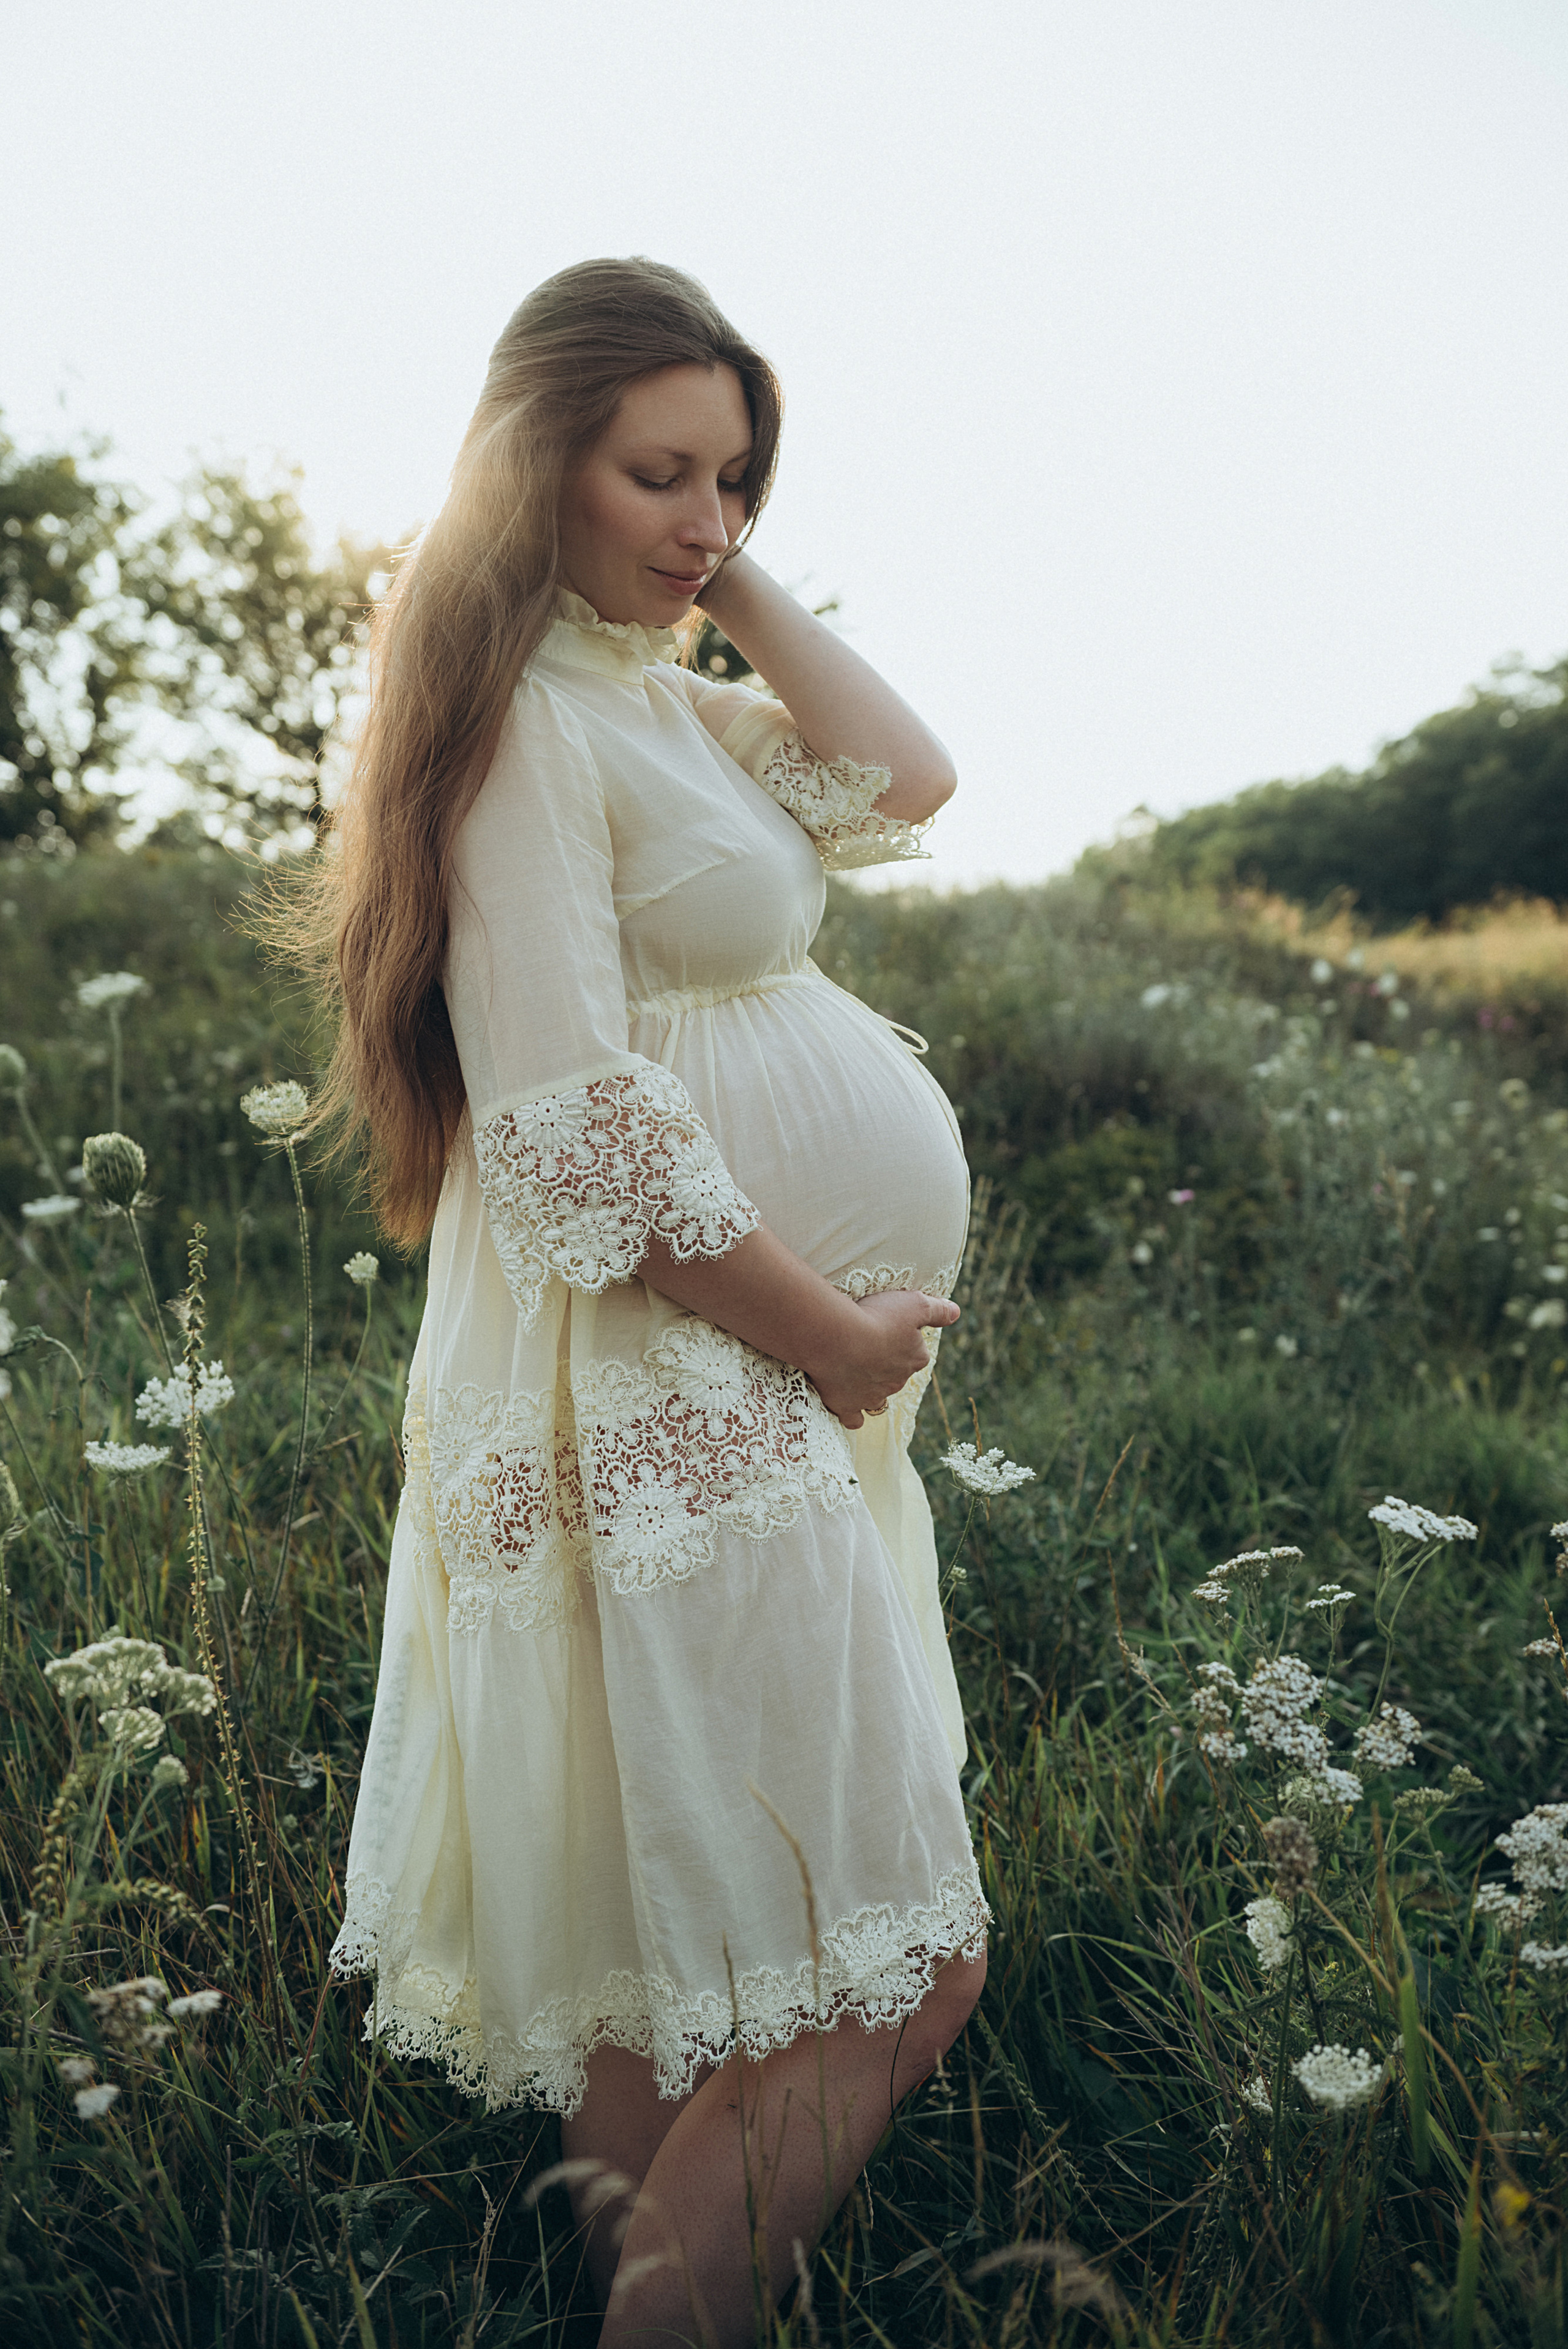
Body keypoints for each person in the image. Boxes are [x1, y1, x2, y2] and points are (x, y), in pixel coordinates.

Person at [305, 256, 989, 2347]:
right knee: (889, 1961)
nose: (707, 514)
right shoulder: (525, 715)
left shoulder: (644, 693)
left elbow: (903, 783)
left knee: (681, 1981)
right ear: (537, 467)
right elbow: (573, 1123)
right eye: (658, 472)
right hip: (679, 1368)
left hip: (735, 1373)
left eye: (737, 474)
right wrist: (826, 1334)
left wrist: (728, 575)